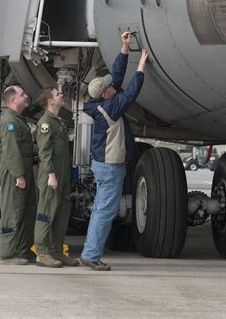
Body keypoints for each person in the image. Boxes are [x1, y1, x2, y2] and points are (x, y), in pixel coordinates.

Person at [80, 31, 148, 271]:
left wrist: (124, 47)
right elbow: (131, 93)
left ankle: (89, 251)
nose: (114, 85)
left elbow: (117, 77)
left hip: (103, 164)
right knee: (105, 211)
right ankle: (91, 255)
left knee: (101, 208)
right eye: (110, 86)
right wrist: (140, 68)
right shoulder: (112, 108)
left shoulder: (100, 103)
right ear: (106, 93)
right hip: (110, 167)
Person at [34, 86, 78, 268]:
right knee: (47, 212)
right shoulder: (45, 123)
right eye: (57, 94)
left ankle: (56, 250)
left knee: (61, 212)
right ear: (50, 101)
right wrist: (51, 174)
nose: (62, 95)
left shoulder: (59, 122)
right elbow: (45, 152)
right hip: (51, 175)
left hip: (63, 174)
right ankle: (43, 252)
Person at [0, 84, 36, 264]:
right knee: (13, 210)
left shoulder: (19, 119)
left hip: (24, 169)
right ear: (13, 100)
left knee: (26, 210)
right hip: (15, 171)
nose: (26, 96)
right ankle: (8, 253)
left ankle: (23, 250)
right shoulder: (9, 122)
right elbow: (11, 151)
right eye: (22, 94)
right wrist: (19, 175)